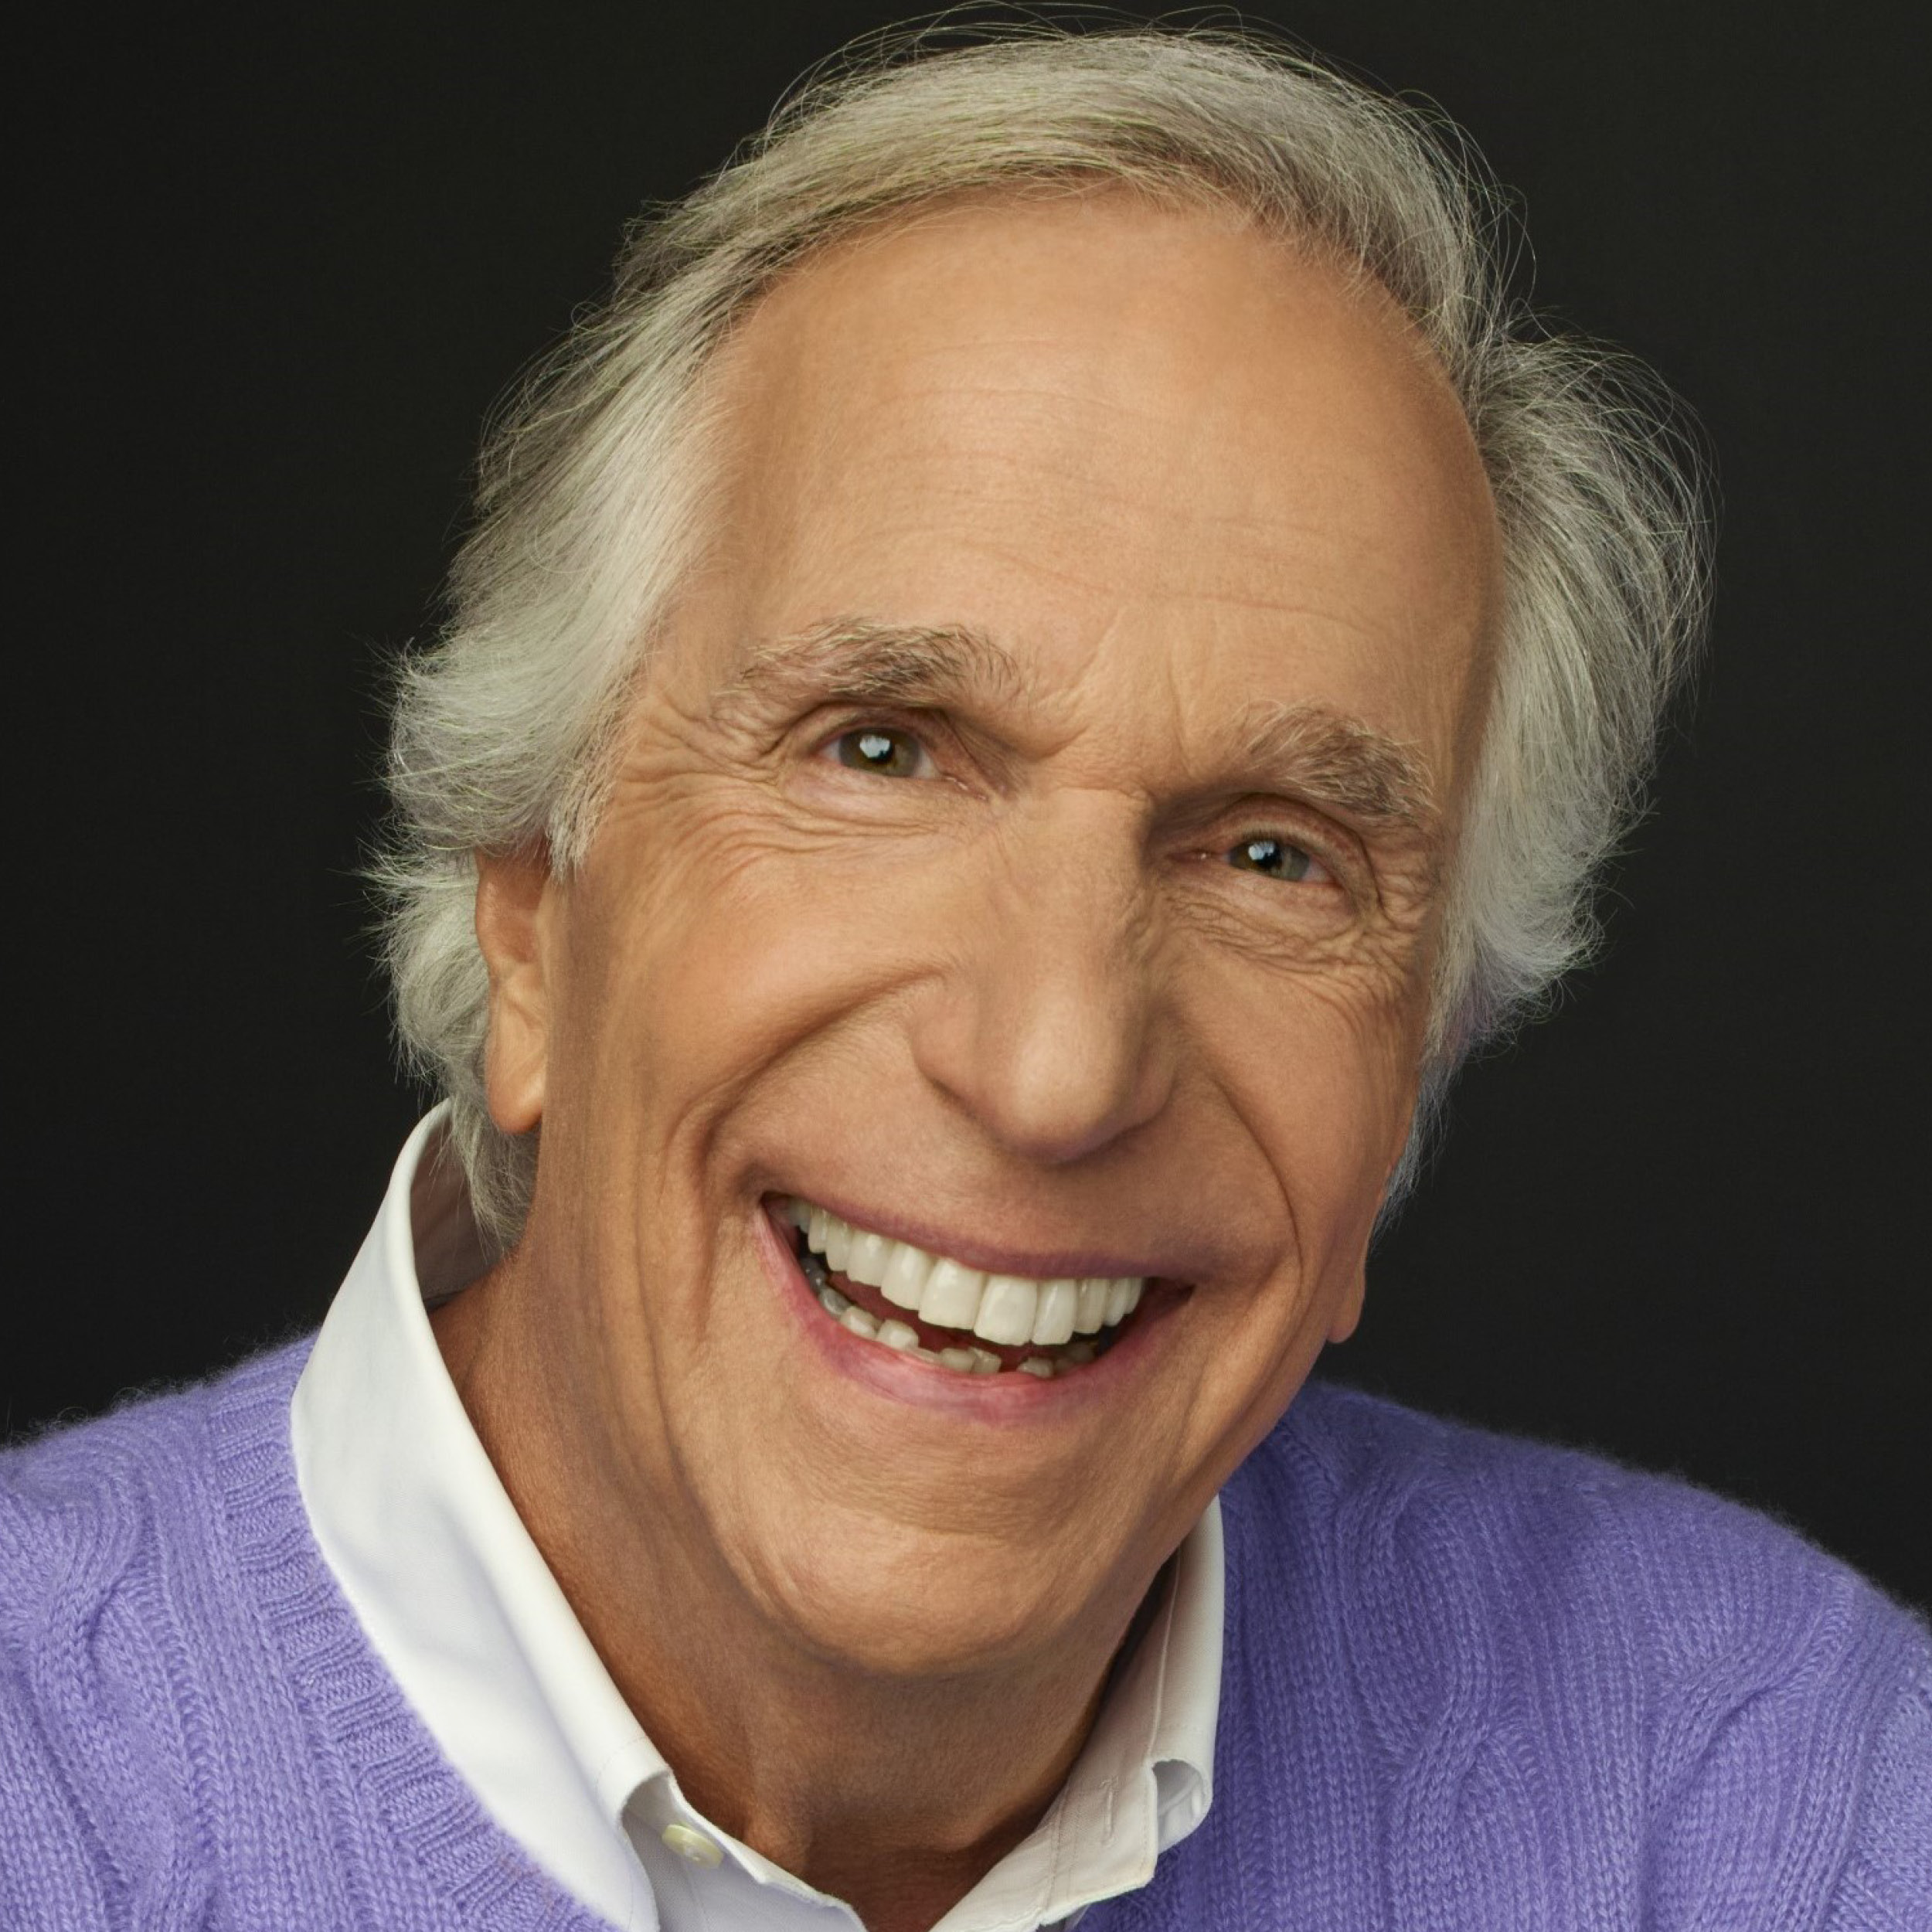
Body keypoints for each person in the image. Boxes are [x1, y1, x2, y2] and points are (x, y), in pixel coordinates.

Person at [2, 25, 1926, 1932]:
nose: (1051, 1068)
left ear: (1414, 1066)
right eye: (881, 750)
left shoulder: (1765, 1800)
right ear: (531, 919)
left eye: (1274, 853)